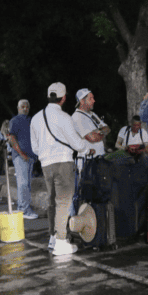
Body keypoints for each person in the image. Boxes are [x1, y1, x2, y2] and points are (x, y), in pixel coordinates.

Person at [31, 82, 93, 256]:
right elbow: (75, 142)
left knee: (52, 201)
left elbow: (34, 148)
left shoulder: (36, 118)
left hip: (45, 165)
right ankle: (60, 241)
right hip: (63, 162)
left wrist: (45, 153)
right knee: (63, 202)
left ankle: (52, 237)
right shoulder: (64, 117)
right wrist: (86, 149)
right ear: (64, 98)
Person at [8, 99, 38, 220]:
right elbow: (12, 138)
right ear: (18, 108)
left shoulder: (31, 121)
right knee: (23, 183)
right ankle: (24, 209)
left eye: (27, 107)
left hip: (30, 157)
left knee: (27, 184)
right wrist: (21, 153)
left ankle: (24, 207)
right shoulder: (14, 121)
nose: (25, 109)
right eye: (23, 107)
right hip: (20, 157)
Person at [72, 88, 110, 165]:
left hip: (99, 159)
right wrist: (100, 132)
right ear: (82, 101)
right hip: (87, 161)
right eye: (90, 98)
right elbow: (92, 138)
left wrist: (98, 132)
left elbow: (107, 129)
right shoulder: (77, 117)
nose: (94, 101)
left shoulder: (92, 114)